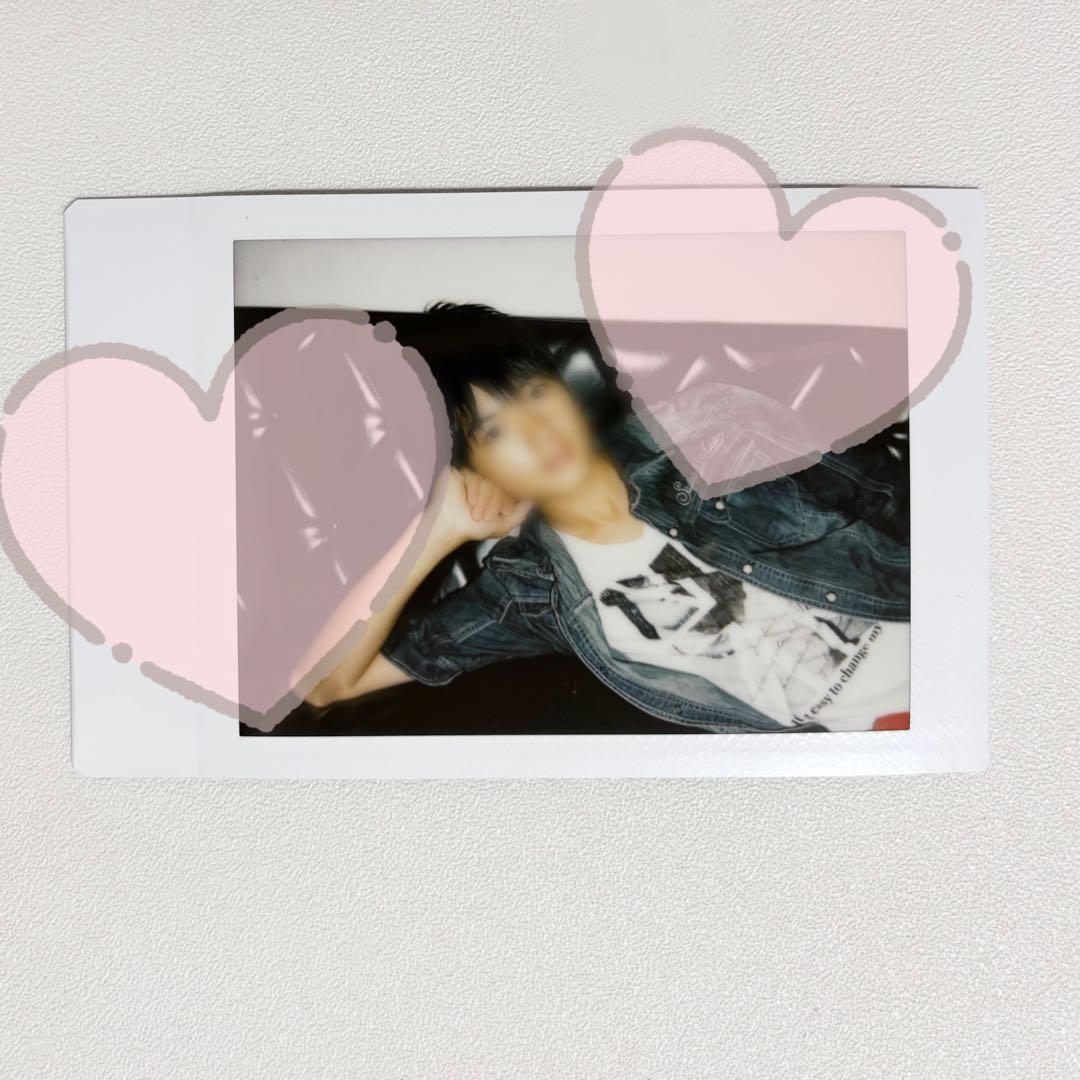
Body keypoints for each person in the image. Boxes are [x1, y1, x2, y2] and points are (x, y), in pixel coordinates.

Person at [301, 303, 910, 733]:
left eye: (535, 393)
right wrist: (435, 531)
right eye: (495, 431)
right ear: (470, 464)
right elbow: (325, 685)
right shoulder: (529, 591)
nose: (538, 432)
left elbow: (893, 502)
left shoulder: (709, 427)